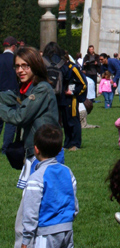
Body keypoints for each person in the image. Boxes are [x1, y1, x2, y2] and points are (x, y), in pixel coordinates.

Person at [0, 46, 60, 248]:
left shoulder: (42, 89)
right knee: (31, 217)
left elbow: (19, 116)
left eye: (25, 65)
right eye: (17, 66)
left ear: (35, 65)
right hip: (35, 158)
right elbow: (15, 100)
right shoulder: (30, 90)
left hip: (44, 160)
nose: (20, 70)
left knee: (28, 218)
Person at [21, 124, 78, 248]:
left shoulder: (36, 177)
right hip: (67, 230)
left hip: (46, 233)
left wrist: (26, 239)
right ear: (59, 150)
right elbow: (74, 202)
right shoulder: (67, 172)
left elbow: (31, 211)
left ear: (36, 149)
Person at [44, 42, 87, 152]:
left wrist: (73, 92)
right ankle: (67, 143)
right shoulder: (58, 67)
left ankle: (76, 143)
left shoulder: (72, 68)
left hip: (71, 99)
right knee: (65, 122)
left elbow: (83, 83)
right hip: (62, 98)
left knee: (73, 120)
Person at [0, 36, 18, 153]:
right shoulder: (16, 60)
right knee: (10, 123)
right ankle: (5, 148)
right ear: (13, 46)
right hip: (12, 93)